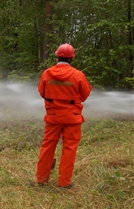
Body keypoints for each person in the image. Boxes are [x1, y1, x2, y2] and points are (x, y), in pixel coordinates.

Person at [36, 43, 92, 188]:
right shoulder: (78, 75)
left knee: (48, 147)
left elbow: (42, 92)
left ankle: (42, 180)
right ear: (72, 58)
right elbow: (85, 94)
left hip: (53, 117)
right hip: (72, 118)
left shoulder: (47, 74)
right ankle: (64, 182)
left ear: (57, 56)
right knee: (69, 149)